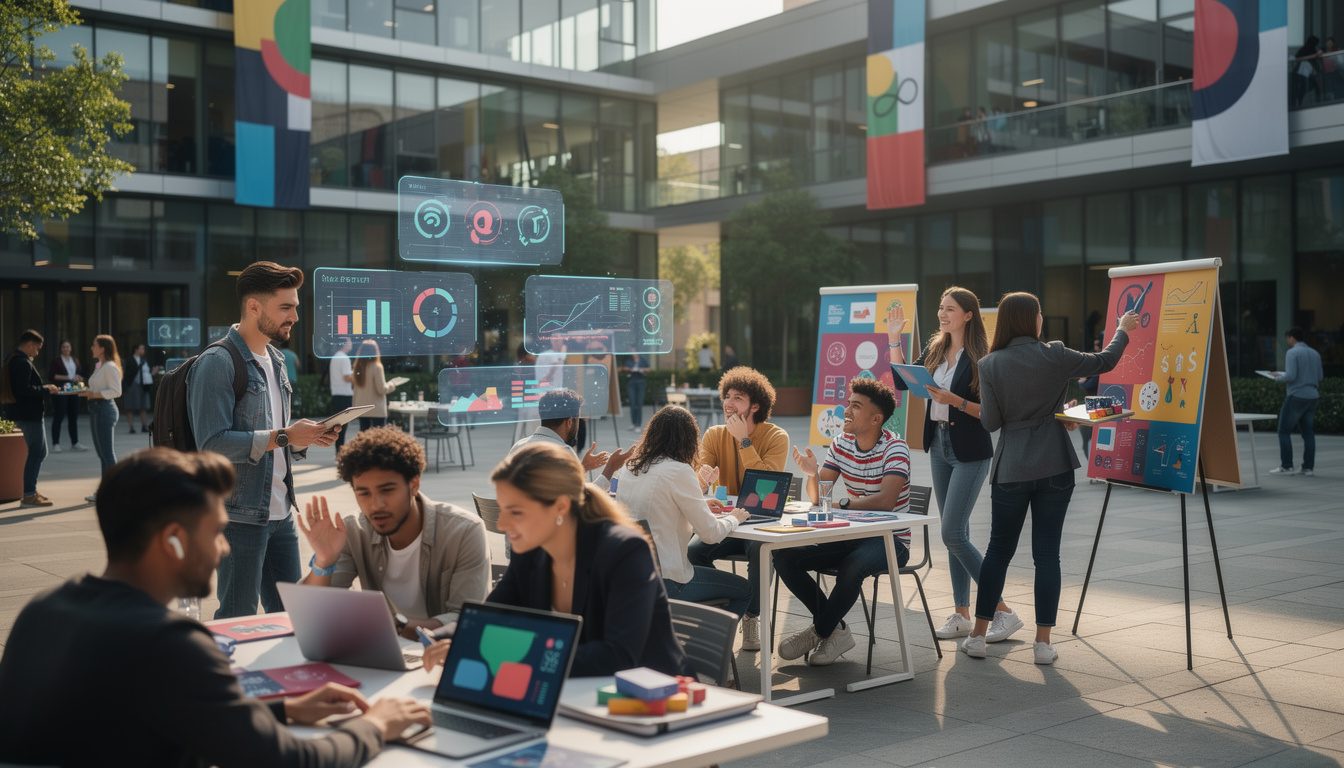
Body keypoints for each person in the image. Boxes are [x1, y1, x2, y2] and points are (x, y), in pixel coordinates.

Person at [0, 448, 430, 768]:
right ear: (174, 540)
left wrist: (284, 709)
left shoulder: (46, 607)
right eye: (218, 532)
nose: (224, 548)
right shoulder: (167, 642)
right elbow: (294, 763)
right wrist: (377, 725)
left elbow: (152, 709)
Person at [962, 293, 1137, 666]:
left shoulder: (990, 364)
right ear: (1032, 320)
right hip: (1055, 463)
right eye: (1040, 313)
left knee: (998, 551)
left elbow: (991, 423)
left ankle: (977, 636)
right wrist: (1122, 330)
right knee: (1047, 554)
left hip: (1011, 468)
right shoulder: (1054, 353)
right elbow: (1104, 360)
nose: (1042, 319)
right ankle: (1043, 644)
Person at [424, 443, 692, 677]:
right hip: (571, 699)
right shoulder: (529, 550)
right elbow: (490, 616)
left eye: (515, 512)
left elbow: (617, 656)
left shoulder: (624, 551)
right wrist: (434, 639)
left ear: (561, 506)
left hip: (650, 707)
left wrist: (509, 655)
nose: (502, 524)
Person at [188, 261, 339, 618]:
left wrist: (305, 438)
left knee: (293, 618)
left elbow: (274, 438)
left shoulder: (275, 359)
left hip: (280, 511)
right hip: (240, 518)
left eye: (295, 308)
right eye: (285, 308)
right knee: (237, 618)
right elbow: (211, 445)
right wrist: (286, 435)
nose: (294, 317)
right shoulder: (217, 363)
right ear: (254, 307)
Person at [887, 288, 1019, 643]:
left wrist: (956, 401)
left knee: (952, 533)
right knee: (956, 533)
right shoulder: (935, 349)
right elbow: (903, 380)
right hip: (939, 446)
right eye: (940, 308)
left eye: (950, 309)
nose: (943, 314)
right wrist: (894, 338)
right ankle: (962, 613)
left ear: (968, 315)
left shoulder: (983, 357)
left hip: (971, 450)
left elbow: (995, 414)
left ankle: (1002, 611)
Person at [298, 427, 490, 639]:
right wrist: (324, 562)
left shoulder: (464, 531)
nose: (376, 505)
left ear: (414, 484)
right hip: (379, 651)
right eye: (363, 493)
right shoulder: (352, 530)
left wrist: (395, 625)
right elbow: (310, 614)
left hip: (440, 656)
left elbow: (466, 621)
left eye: (387, 490)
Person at [778, 378, 912, 666]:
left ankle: (819, 630)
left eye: (855, 406)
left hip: (892, 540)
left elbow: (886, 501)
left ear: (876, 419)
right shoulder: (841, 443)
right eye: (848, 403)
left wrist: (843, 503)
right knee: (784, 557)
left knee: (852, 567)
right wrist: (812, 474)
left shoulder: (896, 448)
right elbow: (818, 498)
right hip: (852, 535)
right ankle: (836, 630)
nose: (845, 410)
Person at [686, 366, 790, 651]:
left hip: (761, 521)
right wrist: (702, 479)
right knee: (695, 550)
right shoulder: (713, 434)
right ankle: (718, 606)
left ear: (755, 405)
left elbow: (766, 483)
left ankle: (751, 616)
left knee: (760, 550)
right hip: (727, 520)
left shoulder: (775, 436)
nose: (729, 403)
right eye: (727, 396)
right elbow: (697, 475)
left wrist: (744, 441)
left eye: (738, 398)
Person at [615, 405, 753, 616]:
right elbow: (711, 534)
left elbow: (652, 508)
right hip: (670, 582)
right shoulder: (679, 470)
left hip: (632, 577)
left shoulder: (630, 467)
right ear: (688, 439)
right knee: (745, 590)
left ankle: (698, 640)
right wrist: (734, 518)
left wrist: (698, 503)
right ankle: (713, 648)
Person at [509, 389, 628, 492]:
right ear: (569, 422)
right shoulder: (562, 452)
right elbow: (583, 499)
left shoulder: (519, 447)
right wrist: (610, 469)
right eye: (578, 420)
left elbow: (556, 485)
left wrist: (581, 467)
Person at [2, 329, 59, 507]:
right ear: (29, 344)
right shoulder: (23, 363)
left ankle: (30, 490)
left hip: (20, 413)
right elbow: (24, 390)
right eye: (37, 348)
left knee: (38, 452)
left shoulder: (12, 359)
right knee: (37, 452)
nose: (37, 352)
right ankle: (28, 493)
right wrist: (46, 390)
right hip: (28, 415)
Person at [1270, 327, 1324, 477]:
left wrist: (1276, 377)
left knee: (1283, 431)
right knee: (1308, 433)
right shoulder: (1315, 353)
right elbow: (1320, 377)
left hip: (1297, 396)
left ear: (1291, 338)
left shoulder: (1292, 353)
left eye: (1288, 338)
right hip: (1313, 396)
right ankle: (1308, 468)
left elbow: (1291, 376)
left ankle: (1287, 466)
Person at [79, 334, 123, 490]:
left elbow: (116, 391)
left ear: (102, 348)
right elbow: (99, 387)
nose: (92, 348)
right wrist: (87, 391)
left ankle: (111, 490)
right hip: (97, 409)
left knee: (107, 454)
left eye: (94, 345)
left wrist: (93, 394)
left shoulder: (110, 366)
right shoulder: (101, 365)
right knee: (102, 454)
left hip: (104, 409)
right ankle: (107, 490)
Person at [47, 340, 86, 452]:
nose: (66, 349)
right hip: (60, 391)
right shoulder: (56, 361)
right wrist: (69, 378)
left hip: (73, 391)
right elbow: (53, 376)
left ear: (71, 348)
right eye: (64, 347)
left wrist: (78, 378)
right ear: (61, 348)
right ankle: (56, 443)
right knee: (59, 416)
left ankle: (75, 442)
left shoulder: (75, 360)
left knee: (73, 417)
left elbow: (78, 373)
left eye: (68, 347)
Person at [352, 339, 397, 432]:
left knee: (364, 439)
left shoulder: (357, 366)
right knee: (379, 440)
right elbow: (382, 389)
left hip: (361, 409)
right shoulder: (377, 367)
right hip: (376, 410)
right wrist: (392, 384)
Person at [1076, 336, 1104, 468]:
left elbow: (1085, 385)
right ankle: (1094, 467)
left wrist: (1085, 379)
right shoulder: (1097, 369)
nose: (1096, 348)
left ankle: (1095, 467)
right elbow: (1081, 385)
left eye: (1098, 345)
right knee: (1088, 439)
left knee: (1090, 439)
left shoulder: (1100, 371)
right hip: (1091, 408)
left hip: (1097, 409)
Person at [123, 343, 154, 434]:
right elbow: (127, 375)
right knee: (130, 407)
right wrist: (125, 388)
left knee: (143, 406)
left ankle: (144, 425)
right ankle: (131, 427)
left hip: (143, 385)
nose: (143, 351)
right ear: (136, 350)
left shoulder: (144, 361)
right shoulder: (129, 360)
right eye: (141, 349)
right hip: (132, 385)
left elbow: (146, 373)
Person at [329, 336, 354, 451]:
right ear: (344, 344)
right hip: (345, 395)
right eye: (349, 342)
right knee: (343, 426)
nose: (351, 344)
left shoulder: (335, 357)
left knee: (339, 426)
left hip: (337, 394)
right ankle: (340, 452)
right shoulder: (344, 358)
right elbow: (347, 377)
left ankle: (338, 451)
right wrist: (358, 376)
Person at [620, 346, 648, 431]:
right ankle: (633, 423)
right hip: (631, 383)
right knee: (632, 403)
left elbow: (648, 368)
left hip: (640, 383)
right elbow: (623, 368)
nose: (633, 353)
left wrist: (640, 369)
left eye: (633, 351)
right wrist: (631, 369)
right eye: (631, 351)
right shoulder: (629, 361)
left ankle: (638, 424)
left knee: (639, 404)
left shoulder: (642, 359)